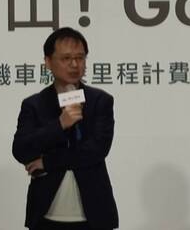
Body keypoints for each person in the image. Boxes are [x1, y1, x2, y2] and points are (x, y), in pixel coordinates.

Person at [12, 27, 119, 230]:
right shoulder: (34, 104)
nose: (74, 64)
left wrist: (47, 162)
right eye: (66, 58)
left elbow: (97, 150)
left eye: (80, 58)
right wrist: (59, 125)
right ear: (48, 62)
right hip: (46, 215)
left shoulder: (100, 101)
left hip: (94, 215)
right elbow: (21, 150)